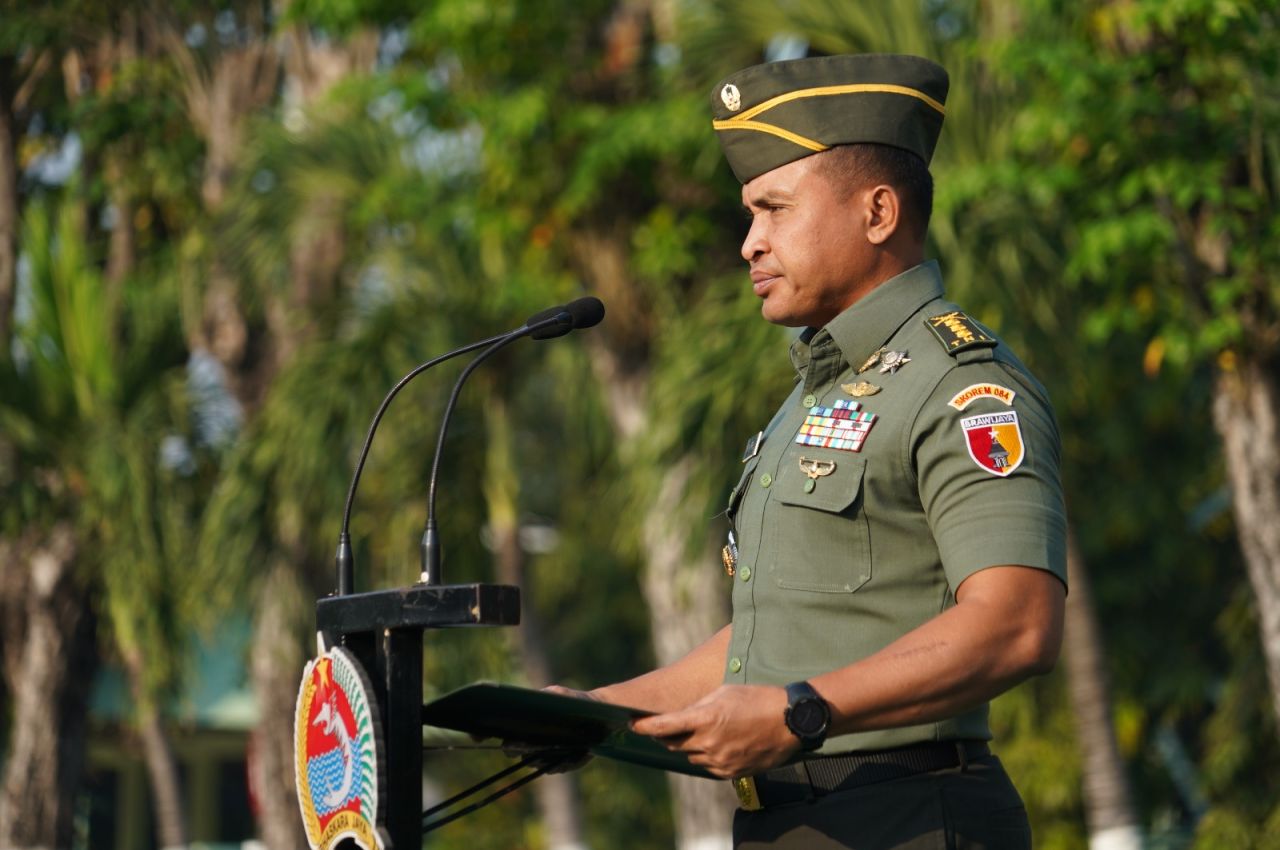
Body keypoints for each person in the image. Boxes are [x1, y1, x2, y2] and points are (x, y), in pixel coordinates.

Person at [556, 53, 1068, 849]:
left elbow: (1017, 624)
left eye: (775, 209)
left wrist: (801, 711)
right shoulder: (816, 396)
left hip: (907, 817)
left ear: (878, 212)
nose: (749, 244)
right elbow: (769, 643)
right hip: (786, 823)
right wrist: (590, 714)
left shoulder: (963, 386)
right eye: (749, 216)